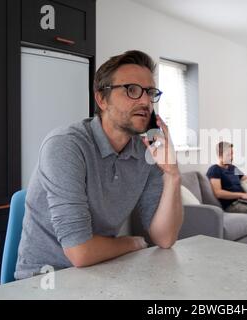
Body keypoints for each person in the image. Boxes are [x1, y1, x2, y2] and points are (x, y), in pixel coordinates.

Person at [15, 50, 183, 279]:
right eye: (132, 90)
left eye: (150, 92)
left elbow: (165, 238)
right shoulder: (66, 146)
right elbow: (80, 252)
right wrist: (131, 243)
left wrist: (172, 174)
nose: (145, 101)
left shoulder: (148, 151)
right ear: (102, 99)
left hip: (104, 270)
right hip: (46, 280)